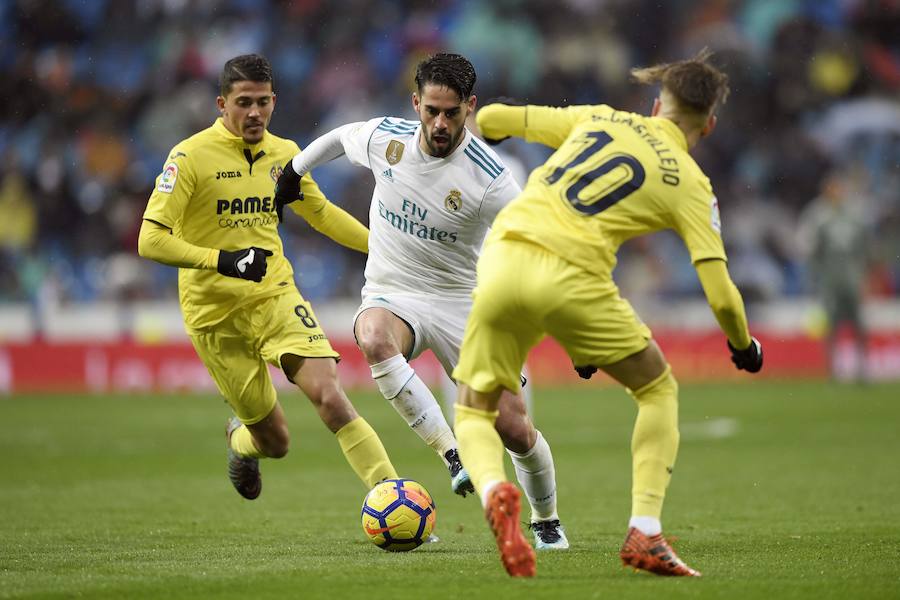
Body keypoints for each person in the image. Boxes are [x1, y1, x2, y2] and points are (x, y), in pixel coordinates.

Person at [451, 49, 764, 578]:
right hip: (574, 277)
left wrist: (499, 128)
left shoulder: (598, 116)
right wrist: (742, 345)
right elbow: (721, 295)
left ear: (654, 103)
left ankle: (494, 491)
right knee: (656, 389)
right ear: (707, 126)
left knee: (475, 408)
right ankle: (645, 529)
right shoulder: (689, 182)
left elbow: (495, 118)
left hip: (504, 256)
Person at [274, 53, 569, 550]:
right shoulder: (386, 138)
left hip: (463, 303)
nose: (439, 123)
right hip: (396, 292)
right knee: (370, 335)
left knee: (515, 430)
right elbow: (340, 136)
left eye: (451, 113)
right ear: (416, 103)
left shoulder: (491, 177)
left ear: (469, 107)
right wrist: (293, 171)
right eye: (430, 110)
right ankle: (453, 454)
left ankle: (546, 520)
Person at [137, 54, 398, 501]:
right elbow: (150, 239)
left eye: (262, 102)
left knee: (331, 397)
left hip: (274, 295)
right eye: (243, 102)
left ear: (274, 101)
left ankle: (393, 497)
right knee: (275, 442)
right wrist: (224, 261)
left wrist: (389, 250)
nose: (254, 112)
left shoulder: (286, 154)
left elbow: (321, 214)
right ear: (222, 104)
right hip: (214, 314)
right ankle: (239, 441)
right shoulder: (190, 156)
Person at [798, 169, 871, 381]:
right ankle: (832, 370)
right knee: (832, 325)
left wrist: (865, 276)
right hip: (829, 279)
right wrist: (814, 278)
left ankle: (862, 369)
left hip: (853, 277)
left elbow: (864, 249)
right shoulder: (817, 216)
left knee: (859, 324)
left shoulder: (855, 215)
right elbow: (811, 251)